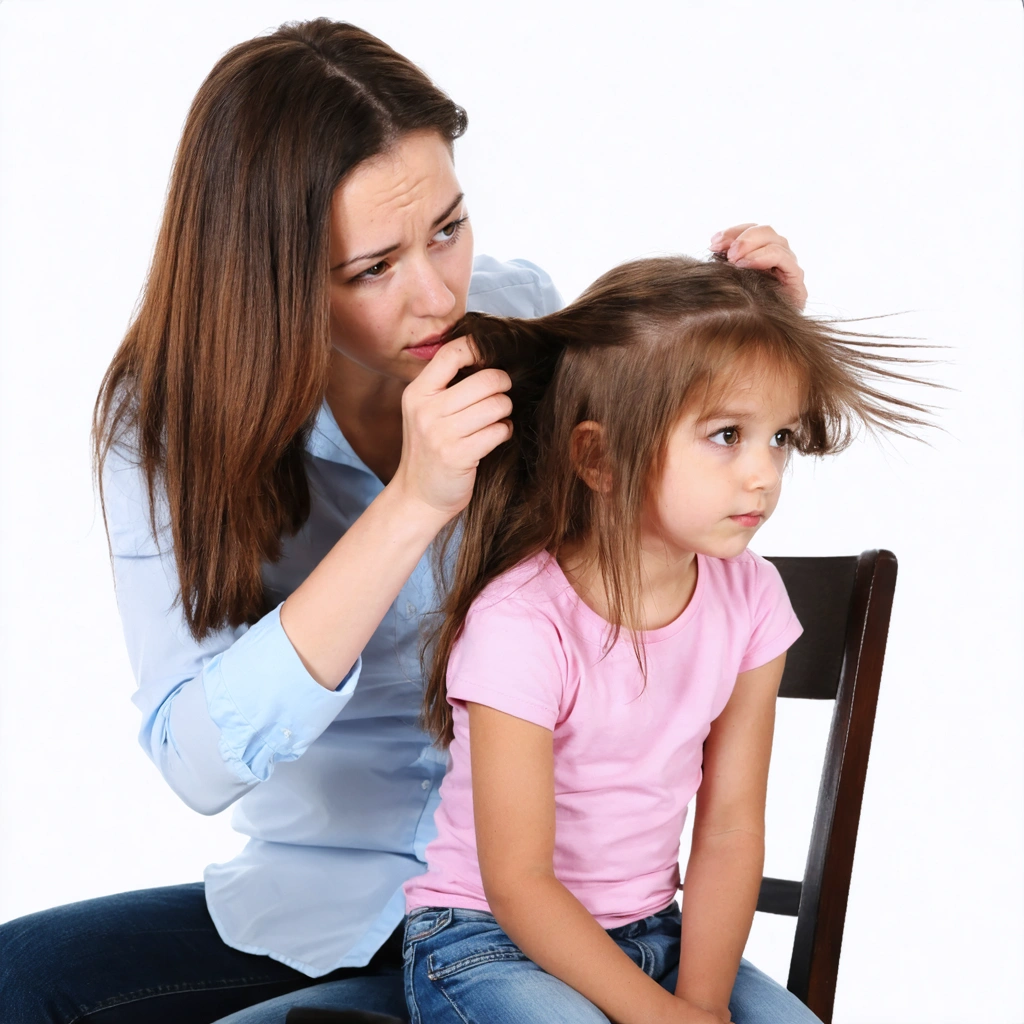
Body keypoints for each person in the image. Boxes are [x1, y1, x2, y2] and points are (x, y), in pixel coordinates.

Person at [0, 18, 810, 1024]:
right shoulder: (164, 423)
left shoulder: (514, 318)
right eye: (372, 269)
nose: (436, 295)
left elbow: (668, 495)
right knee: (17, 974)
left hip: (564, 904)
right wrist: (410, 504)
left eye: (447, 229)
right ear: (269, 278)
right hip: (326, 908)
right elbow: (194, 759)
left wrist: (756, 339)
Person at [402, 255, 930, 1024]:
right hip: (486, 940)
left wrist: (703, 1006)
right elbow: (516, 882)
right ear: (599, 457)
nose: (764, 475)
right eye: (727, 435)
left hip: (658, 935)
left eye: (778, 436)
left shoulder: (751, 599)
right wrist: (658, 1019)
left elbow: (728, 826)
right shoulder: (520, 623)